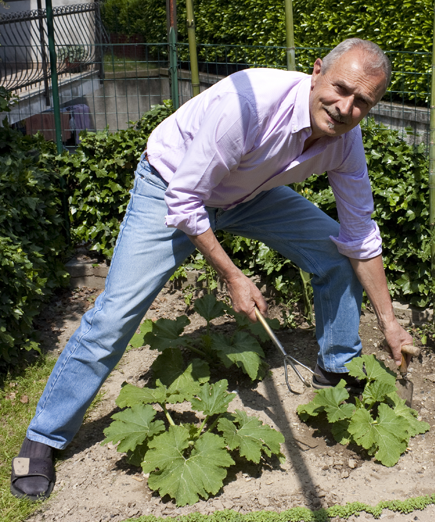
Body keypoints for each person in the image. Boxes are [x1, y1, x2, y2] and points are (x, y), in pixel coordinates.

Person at [10, 38, 413, 501]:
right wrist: (234, 276)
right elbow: (185, 200)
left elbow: (360, 235)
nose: (345, 107)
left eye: (362, 101)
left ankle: (336, 370)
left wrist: (389, 322)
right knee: (116, 315)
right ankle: (44, 437)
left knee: (337, 257)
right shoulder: (249, 103)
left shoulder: (344, 139)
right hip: (171, 185)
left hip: (247, 194)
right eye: (340, 88)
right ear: (317, 70)